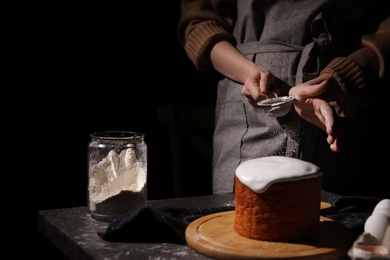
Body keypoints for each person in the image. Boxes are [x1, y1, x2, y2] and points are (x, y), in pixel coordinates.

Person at [177, 0, 390, 198]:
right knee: (240, 218)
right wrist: (248, 72)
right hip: (248, 107)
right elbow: (199, 22)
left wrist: (335, 82)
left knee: (337, 224)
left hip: (342, 104)